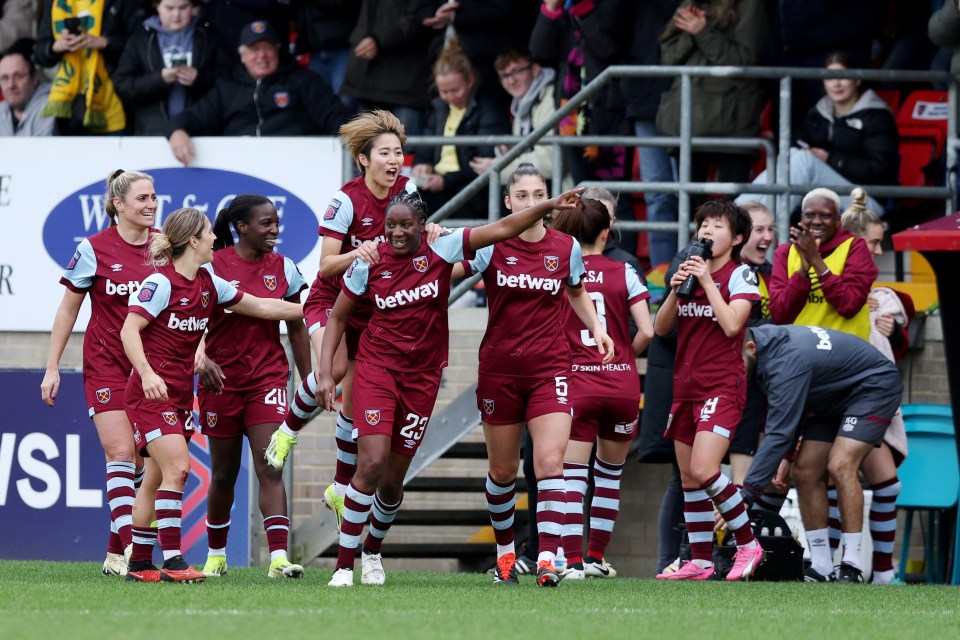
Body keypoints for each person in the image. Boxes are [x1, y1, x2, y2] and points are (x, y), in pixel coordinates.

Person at [322, 187, 584, 587]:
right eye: (389, 225)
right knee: (372, 463)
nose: (396, 232)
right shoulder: (368, 262)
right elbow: (338, 318)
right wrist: (326, 374)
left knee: (392, 482)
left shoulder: (443, 250)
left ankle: (372, 550)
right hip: (377, 370)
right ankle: (343, 566)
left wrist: (547, 208)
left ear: (422, 227)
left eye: (405, 225)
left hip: (423, 378)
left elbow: (501, 228)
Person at [121, 207, 303, 583]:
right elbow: (129, 331)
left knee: (154, 478)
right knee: (180, 468)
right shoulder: (160, 284)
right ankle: (173, 561)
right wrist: (147, 372)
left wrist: (326, 309)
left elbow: (265, 307)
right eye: (208, 233)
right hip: (150, 395)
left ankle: (139, 564)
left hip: (180, 396)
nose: (214, 239)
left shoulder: (209, 282)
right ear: (193, 240)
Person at [455, 163, 614, 587]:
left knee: (548, 462)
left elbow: (576, 290)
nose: (530, 202)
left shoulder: (565, 247)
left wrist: (597, 329)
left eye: (538, 193)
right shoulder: (490, 245)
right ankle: (506, 559)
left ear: (550, 199)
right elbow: (443, 274)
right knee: (504, 472)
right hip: (499, 372)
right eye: (521, 195)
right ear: (509, 202)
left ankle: (549, 558)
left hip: (550, 369)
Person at [263, 110, 418, 531]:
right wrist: (361, 251)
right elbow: (328, 266)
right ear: (364, 159)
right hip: (331, 301)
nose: (394, 160)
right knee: (331, 370)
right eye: (384, 152)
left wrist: (433, 233)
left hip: (373, 309)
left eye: (399, 152)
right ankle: (287, 432)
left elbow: (414, 242)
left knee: (357, 402)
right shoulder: (346, 199)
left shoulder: (409, 191)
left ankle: (338, 487)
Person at [41, 170, 158, 577]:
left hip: (150, 369)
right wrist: (52, 366)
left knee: (144, 465)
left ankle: (113, 554)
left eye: (153, 197)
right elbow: (68, 309)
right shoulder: (93, 249)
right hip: (106, 364)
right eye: (142, 198)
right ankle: (134, 555)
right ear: (118, 205)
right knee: (121, 453)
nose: (151, 204)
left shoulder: (165, 246)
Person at [197, 195, 311, 580]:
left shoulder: (285, 268)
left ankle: (278, 559)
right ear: (242, 227)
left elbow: (299, 325)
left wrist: (310, 381)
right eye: (266, 223)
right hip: (220, 382)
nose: (274, 230)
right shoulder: (212, 265)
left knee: (270, 465)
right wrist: (201, 359)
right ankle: (215, 556)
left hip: (267, 379)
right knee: (224, 473)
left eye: (276, 222)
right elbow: (192, 316)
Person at [738, 324, 903, 583]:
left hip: (873, 385)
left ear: (751, 349)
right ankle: (823, 566)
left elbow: (779, 432)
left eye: (737, 366)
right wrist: (786, 455)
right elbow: (786, 413)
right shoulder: (766, 347)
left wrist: (746, 494)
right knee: (804, 472)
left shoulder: (785, 360)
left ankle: (851, 565)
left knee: (840, 464)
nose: (735, 374)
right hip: (831, 396)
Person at [652, 200, 763, 581]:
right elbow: (661, 329)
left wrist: (706, 282)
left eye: (717, 226)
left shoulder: (742, 275)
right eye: (704, 224)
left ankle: (748, 543)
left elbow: (733, 325)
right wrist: (674, 289)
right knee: (687, 478)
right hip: (685, 386)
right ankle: (700, 561)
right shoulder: (688, 274)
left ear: (736, 238)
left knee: (704, 469)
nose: (707, 231)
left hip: (722, 385)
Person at [550, 197, 654, 580]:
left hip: (578, 382)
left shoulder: (562, 272)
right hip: (622, 382)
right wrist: (624, 353)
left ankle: (573, 562)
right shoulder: (624, 270)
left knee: (573, 475)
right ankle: (595, 557)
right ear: (606, 232)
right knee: (610, 475)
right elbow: (648, 330)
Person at [830, 188, 912, 584]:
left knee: (887, 485)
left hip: (870, 397)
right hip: (833, 396)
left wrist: (894, 330)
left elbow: (907, 307)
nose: (879, 253)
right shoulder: (831, 288)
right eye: (874, 244)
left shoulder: (880, 296)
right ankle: (829, 563)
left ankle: (882, 570)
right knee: (830, 479)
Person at [165, 20, 349, 166]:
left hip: (296, 166)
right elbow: (193, 116)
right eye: (254, 49)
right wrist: (177, 131)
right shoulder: (227, 87)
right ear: (242, 56)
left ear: (277, 51)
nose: (262, 55)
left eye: (268, 48)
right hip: (241, 169)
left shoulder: (304, 81)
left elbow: (338, 120)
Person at [737, 53, 898, 216]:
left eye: (843, 77)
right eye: (830, 78)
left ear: (857, 80)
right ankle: (736, 218)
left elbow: (879, 171)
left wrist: (830, 159)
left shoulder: (876, 116)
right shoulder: (819, 112)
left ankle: (756, 225)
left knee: (803, 161)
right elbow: (799, 141)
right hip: (824, 192)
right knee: (792, 154)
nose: (836, 83)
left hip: (865, 202)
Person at [656, 0, 766, 199]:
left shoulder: (749, 5)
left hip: (731, 122)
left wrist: (703, 31)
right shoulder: (690, 3)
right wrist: (693, 32)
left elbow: (743, 60)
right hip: (687, 120)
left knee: (734, 211)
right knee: (689, 212)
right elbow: (668, 59)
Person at [411, 41, 509, 220]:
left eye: (455, 90)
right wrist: (421, 165)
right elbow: (425, 148)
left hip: (471, 191)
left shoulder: (488, 109)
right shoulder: (438, 107)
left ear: (470, 80)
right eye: (444, 91)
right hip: (436, 186)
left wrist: (445, 181)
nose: (449, 97)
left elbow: (482, 163)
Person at [768, 187, 877, 340]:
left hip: (847, 352)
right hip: (801, 349)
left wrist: (816, 261)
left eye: (825, 215)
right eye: (810, 215)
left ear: (838, 220)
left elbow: (850, 305)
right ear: (801, 218)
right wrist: (802, 273)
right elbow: (780, 315)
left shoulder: (855, 247)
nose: (817, 221)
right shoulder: (785, 253)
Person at [621, 0, 681, 268]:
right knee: (657, 194)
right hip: (644, 97)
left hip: (686, 99)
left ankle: (695, 272)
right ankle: (661, 272)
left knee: (686, 193)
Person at [114, 0, 228, 136]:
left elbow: (229, 81)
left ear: (192, 7)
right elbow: (122, 85)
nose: (176, 14)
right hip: (152, 132)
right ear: (157, 6)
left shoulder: (209, 34)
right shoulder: (140, 37)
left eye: (183, 8)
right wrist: (159, 79)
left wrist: (199, 79)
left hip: (201, 130)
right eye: (169, 8)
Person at [34, 0, 142, 134]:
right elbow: (39, 54)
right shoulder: (55, 3)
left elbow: (141, 42)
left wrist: (105, 43)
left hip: (111, 99)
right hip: (69, 104)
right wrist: (55, 47)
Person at [468, 48, 560, 190]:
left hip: (562, 196)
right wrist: (512, 149)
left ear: (535, 70)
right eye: (504, 76)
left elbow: (551, 161)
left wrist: (499, 168)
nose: (511, 80)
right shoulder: (522, 103)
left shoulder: (551, 99)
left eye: (516, 71)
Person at [339, 0, 433, 136]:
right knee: (366, 150)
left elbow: (418, 19)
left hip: (405, 82)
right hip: (367, 79)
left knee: (404, 151)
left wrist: (379, 40)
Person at [0, 39, 55, 136]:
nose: (11, 85)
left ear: (34, 78)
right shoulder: (2, 110)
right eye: (5, 78)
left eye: (19, 76)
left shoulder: (51, 106)